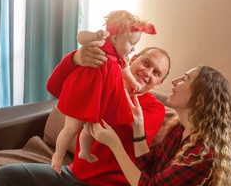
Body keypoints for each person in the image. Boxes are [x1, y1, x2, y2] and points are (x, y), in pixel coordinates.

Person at [0, 47, 171, 186]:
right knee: (5, 176)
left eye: (156, 73)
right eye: (146, 63)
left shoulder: (154, 109)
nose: (147, 73)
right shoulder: (102, 81)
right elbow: (55, 87)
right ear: (132, 59)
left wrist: (112, 73)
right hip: (75, 172)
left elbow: (117, 116)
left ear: (158, 84)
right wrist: (76, 59)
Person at [90, 66, 231, 186]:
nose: (174, 81)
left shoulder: (203, 154)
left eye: (185, 79)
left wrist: (115, 145)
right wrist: (138, 127)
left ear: (197, 100)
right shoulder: (179, 129)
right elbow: (149, 167)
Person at [51, 10, 157, 172]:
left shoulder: (121, 59)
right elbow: (81, 38)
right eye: (131, 43)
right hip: (82, 93)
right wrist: (94, 36)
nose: (133, 49)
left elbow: (125, 70)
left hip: (97, 99)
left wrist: (133, 82)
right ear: (114, 38)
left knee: (89, 128)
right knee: (71, 128)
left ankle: (85, 153)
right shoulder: (102, 44)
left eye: (135, 45)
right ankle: (58, 156)